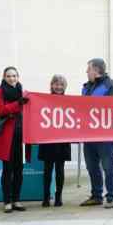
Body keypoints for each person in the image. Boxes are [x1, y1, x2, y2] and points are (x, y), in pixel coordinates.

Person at [0, 66, 30, 213]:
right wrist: (17, 104)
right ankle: (7, 201)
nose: (12, 78)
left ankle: (17, 200)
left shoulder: (22, 90)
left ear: (18, 77)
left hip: (20, 136)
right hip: (6, 136)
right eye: (9, 76)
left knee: (19, 169)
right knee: (8, 169)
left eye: (14, 76)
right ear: (4, 77)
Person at [80, 58, 113, 209]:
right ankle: (96, 195)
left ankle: (111, 196)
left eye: (88, 69)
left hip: (104, 134)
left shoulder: (111, 86)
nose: (86, 72)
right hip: (88, 134)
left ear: (96, 70)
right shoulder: (86, 87)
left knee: (108, 165)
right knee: (91, 166)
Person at [39, 75, 71, 207]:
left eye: (61, 85)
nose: (58, 87)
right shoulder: (43, 100)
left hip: (62, 140)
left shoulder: (69, 101)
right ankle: (46, 197)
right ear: (51, 85)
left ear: (65, 87)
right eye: (56, 84)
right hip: (48, 140)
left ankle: (58, 197)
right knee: (47, 170)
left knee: (60, 169)